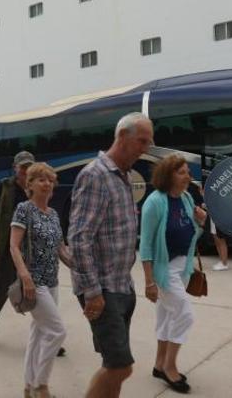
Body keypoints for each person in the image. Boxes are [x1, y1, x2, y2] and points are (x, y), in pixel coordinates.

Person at [69, 112, 153, 397]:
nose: (145, 148)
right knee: (120, 366)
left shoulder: (124, 177)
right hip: (101, 288)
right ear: (122, 137)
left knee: (114, 364)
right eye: (142, 141)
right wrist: (92, 292)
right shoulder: (95, 175)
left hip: (121, 285)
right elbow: (79, 239)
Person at [140, 154, 207, 394]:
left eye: (188, 171)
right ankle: (170, 366)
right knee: (185, 314)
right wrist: (149, 282)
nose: (188, 176)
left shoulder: (187, 199)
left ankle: (159, 364)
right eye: (182, 172)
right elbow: (146, 246)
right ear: (168, 176)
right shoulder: (154, 203)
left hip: (183, 266)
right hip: (164, 270)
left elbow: (191, 236)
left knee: (167, 317)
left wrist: (201, 223)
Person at [11, 163, 73, 398]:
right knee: (57, 332)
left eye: (50, 179)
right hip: (34, 282)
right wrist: (25, 275)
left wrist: (79, 264)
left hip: (52, 280)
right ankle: (41, 385)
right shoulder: (24, 209)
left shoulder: (54, 214)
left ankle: (28, 387)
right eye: (41, 179)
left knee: (37, 334)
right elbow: (14, 246)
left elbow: (61, 250)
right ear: (30, 184)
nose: (46, 183)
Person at [0, 150, 34, 349]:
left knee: (40, 294)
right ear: (15, 168)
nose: (26, 171)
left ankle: (48, 337)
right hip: (8, 250)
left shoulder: (37, 187)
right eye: (23, 167)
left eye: (30, 166)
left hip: (32, 251)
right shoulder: (4, 187)